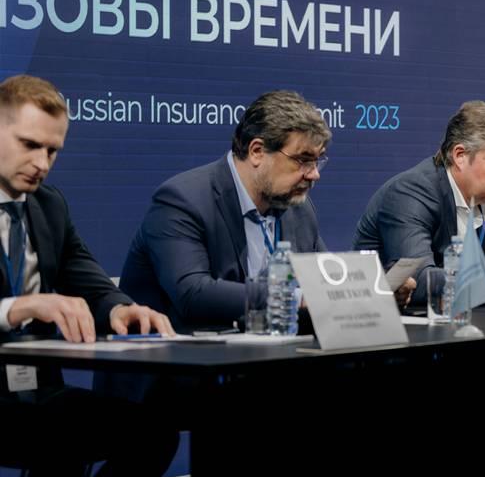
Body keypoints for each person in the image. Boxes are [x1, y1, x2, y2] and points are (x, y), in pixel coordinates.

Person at [0, 74, 177, 477]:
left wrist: (122, 309)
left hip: (37, 389)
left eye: (53, 150)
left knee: (153, 433)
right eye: (30, 144)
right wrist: (16, 308)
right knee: (60, 436)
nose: (43, 162)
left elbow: (87, 277)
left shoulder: (48, 205)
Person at [120, 90, 333, 332]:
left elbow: (325, 281)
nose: (314, 174)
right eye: (303, 160)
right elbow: (193, 293)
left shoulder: (299, 209)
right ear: (257, 151)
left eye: (317, 161)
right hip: (184, 350)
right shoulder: (183, 200)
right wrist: (293, 298)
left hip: (269, 350)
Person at [354, 101, 485, 305]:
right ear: (460, 156)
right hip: (393, 319)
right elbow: (419, 280)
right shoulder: (410, 194)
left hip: (466, 318)